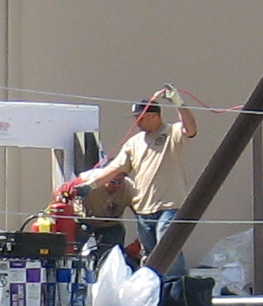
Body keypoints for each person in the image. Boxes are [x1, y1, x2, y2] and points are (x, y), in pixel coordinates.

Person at [64, 89, 198, 263]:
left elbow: (190, 128)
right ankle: (152, 281)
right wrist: (91, 185)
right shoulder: (134, 142)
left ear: (154, 116)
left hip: (169, 205)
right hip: (144, 208)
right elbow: (114, 169)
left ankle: (175, 281)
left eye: (140, 118)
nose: (137, 123)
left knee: (167, 248)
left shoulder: (172, 132)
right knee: (150, 254)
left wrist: (178, 102)